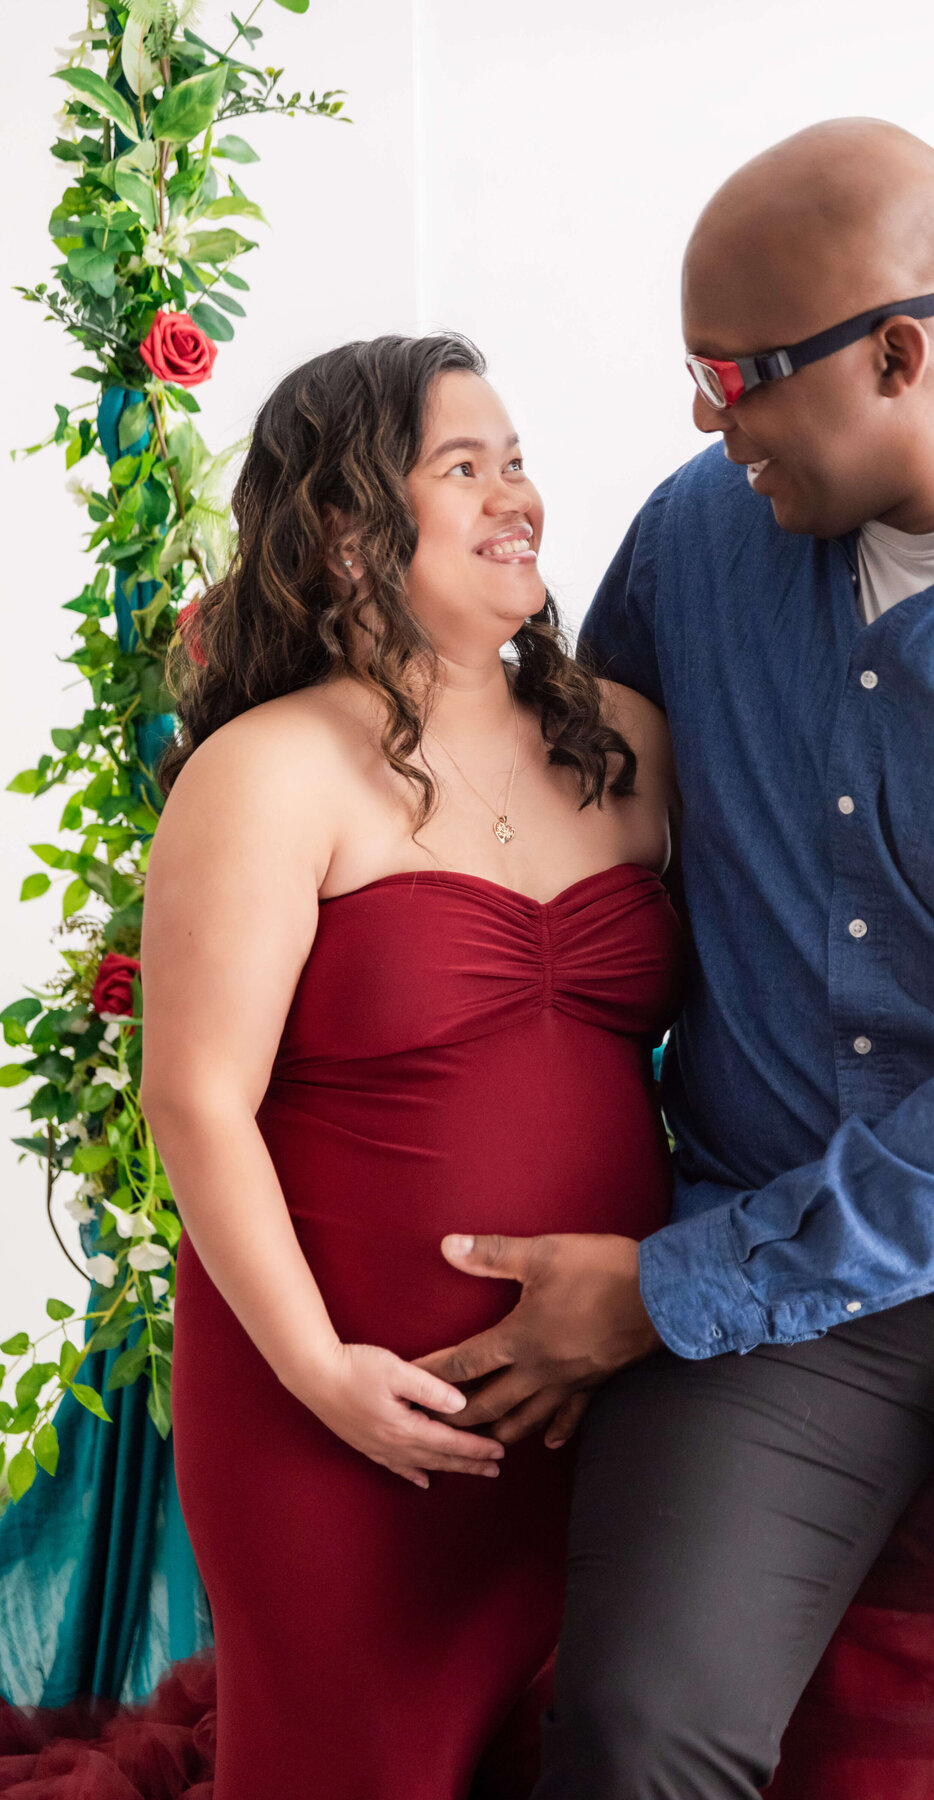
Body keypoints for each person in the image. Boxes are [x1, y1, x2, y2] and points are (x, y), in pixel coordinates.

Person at [413, 119, 934, 1798]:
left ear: (898, 350)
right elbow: (562, 784)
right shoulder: (706, 534)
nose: (707, 418)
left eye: (735, 374)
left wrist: (668, 1292)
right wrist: (300, 717)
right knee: (631, 1739)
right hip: (776, 1277)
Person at [137, 333, 681, 1799]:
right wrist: (324, 1375)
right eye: (464, 467)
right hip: (350, 1411)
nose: (517, 498)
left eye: (518, 462)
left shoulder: (621, 741)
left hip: (613, 1389)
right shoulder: (269, 769)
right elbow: (193, 1098)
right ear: (339, 522)